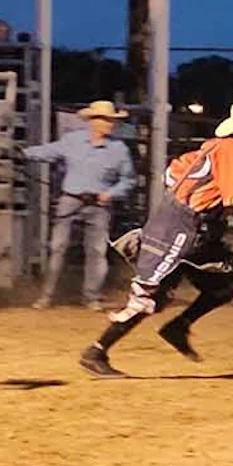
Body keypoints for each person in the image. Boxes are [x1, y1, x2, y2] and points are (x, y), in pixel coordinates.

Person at [80, 98, 233, 377]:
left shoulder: (214, 147)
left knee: (231, 280)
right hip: (183, 227)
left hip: (183, 222)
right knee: (151, 295)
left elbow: (173, 173)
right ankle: (96, 351)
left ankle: (178, 326)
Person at [23, 100, 139, 309]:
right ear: (93, 121)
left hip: (99, 204)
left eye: (111, 120)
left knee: (96, 251)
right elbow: (48, 151)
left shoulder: (118, 149)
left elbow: (129, 180)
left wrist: (110, 194)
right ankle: (47, 295)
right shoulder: (72, 141)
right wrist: (25, 153)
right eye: (105, 120)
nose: (109, 124)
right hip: (71, 200)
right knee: (58, 248)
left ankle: (91, 297)